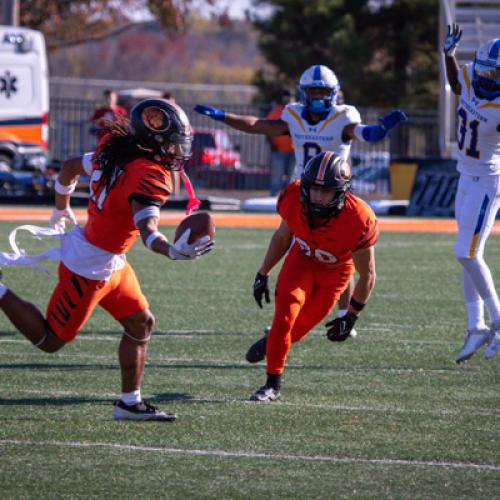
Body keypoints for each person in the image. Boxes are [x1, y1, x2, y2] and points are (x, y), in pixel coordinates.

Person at [0, 98, 214, 420]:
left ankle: (129, 403)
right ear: (153, 141)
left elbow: (70, 167)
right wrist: (170, 250)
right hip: (89, 267)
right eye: (171, 144)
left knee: (142, 323)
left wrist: (61, 207)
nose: (176, 151)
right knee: (50, 340)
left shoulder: (114, 150)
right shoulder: (148, 175)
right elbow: (148, 231)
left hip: (111, 260)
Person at [194, 64, 405, 339]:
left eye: (322, 91)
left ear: (334, 93)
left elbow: (366, 134)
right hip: (302, 192)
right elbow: (258, 126)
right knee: (295, 248)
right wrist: (225, 117)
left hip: (334, 193)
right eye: (312, 90)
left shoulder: (343, 117)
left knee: (342, 254)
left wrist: (380, 130)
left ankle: (344, 314)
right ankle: (289, 316)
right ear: (302, 93)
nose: (317, 96)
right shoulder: (293, 116)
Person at [245, 151, 378, 401]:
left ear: (341, 191)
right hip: (301, 261)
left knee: (299, 329)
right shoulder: (294, 197)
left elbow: (367, 275)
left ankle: (270, 343)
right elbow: (283, 236)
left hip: (335, 275)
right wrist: (263, 272)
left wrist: (350, 316)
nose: (316, 196)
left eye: (325, 190)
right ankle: (272, 384)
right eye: (313, 188)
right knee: (284, 317)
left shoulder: (359, 218)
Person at [443, 25, 500, 362]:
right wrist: (448, 55)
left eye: (495, 73)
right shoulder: (468, 77)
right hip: (464, 175)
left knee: (466, 252)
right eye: (485, 70)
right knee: (467, 255)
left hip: (487, 181)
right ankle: (476, 326)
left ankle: (497, 321)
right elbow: (455, 84)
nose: (488, 77)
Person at [266, 90, 295, 195]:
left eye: (290, 97)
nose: (287, 100)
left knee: (292, 180)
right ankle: (272, 200)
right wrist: (272, 144)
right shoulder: (277, 110)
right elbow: (267, 128)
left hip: (294, 151)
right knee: (276, 179)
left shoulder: (297, 111)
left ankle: (289, 201)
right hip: (279, 150)